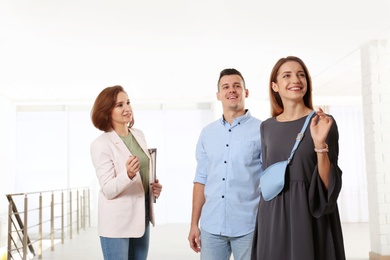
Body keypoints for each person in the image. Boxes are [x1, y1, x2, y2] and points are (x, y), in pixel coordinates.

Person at [251, 56, 345, 260]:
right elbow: (268, 178)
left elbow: (329, 185)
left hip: (309, 213)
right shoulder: (266, 127)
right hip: (273, 215)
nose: (296, 79)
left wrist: (320, 145)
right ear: (275, 86)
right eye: (287, 75)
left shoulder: (322, 122)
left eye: (301, 75)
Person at [188, 68, 262, 260]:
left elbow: (269, 181)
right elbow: (201, 179)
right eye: (226, 87)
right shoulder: (207, 133)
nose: (232, 90)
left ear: (246, 92)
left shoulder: (262, 130)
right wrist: (194, 224)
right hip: (212, 226)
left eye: (237, 86)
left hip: (249, 226)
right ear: (218, 95)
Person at [90, 85, 162, 260]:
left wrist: (153, 185)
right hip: (116, 223)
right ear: (107, 112)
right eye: (119, 105)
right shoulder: (100, 144)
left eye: (128, 102)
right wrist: (127, 174)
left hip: (142, 216)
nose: (127, 108)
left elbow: (144, 170)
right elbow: (108, 189)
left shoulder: (138, 134)